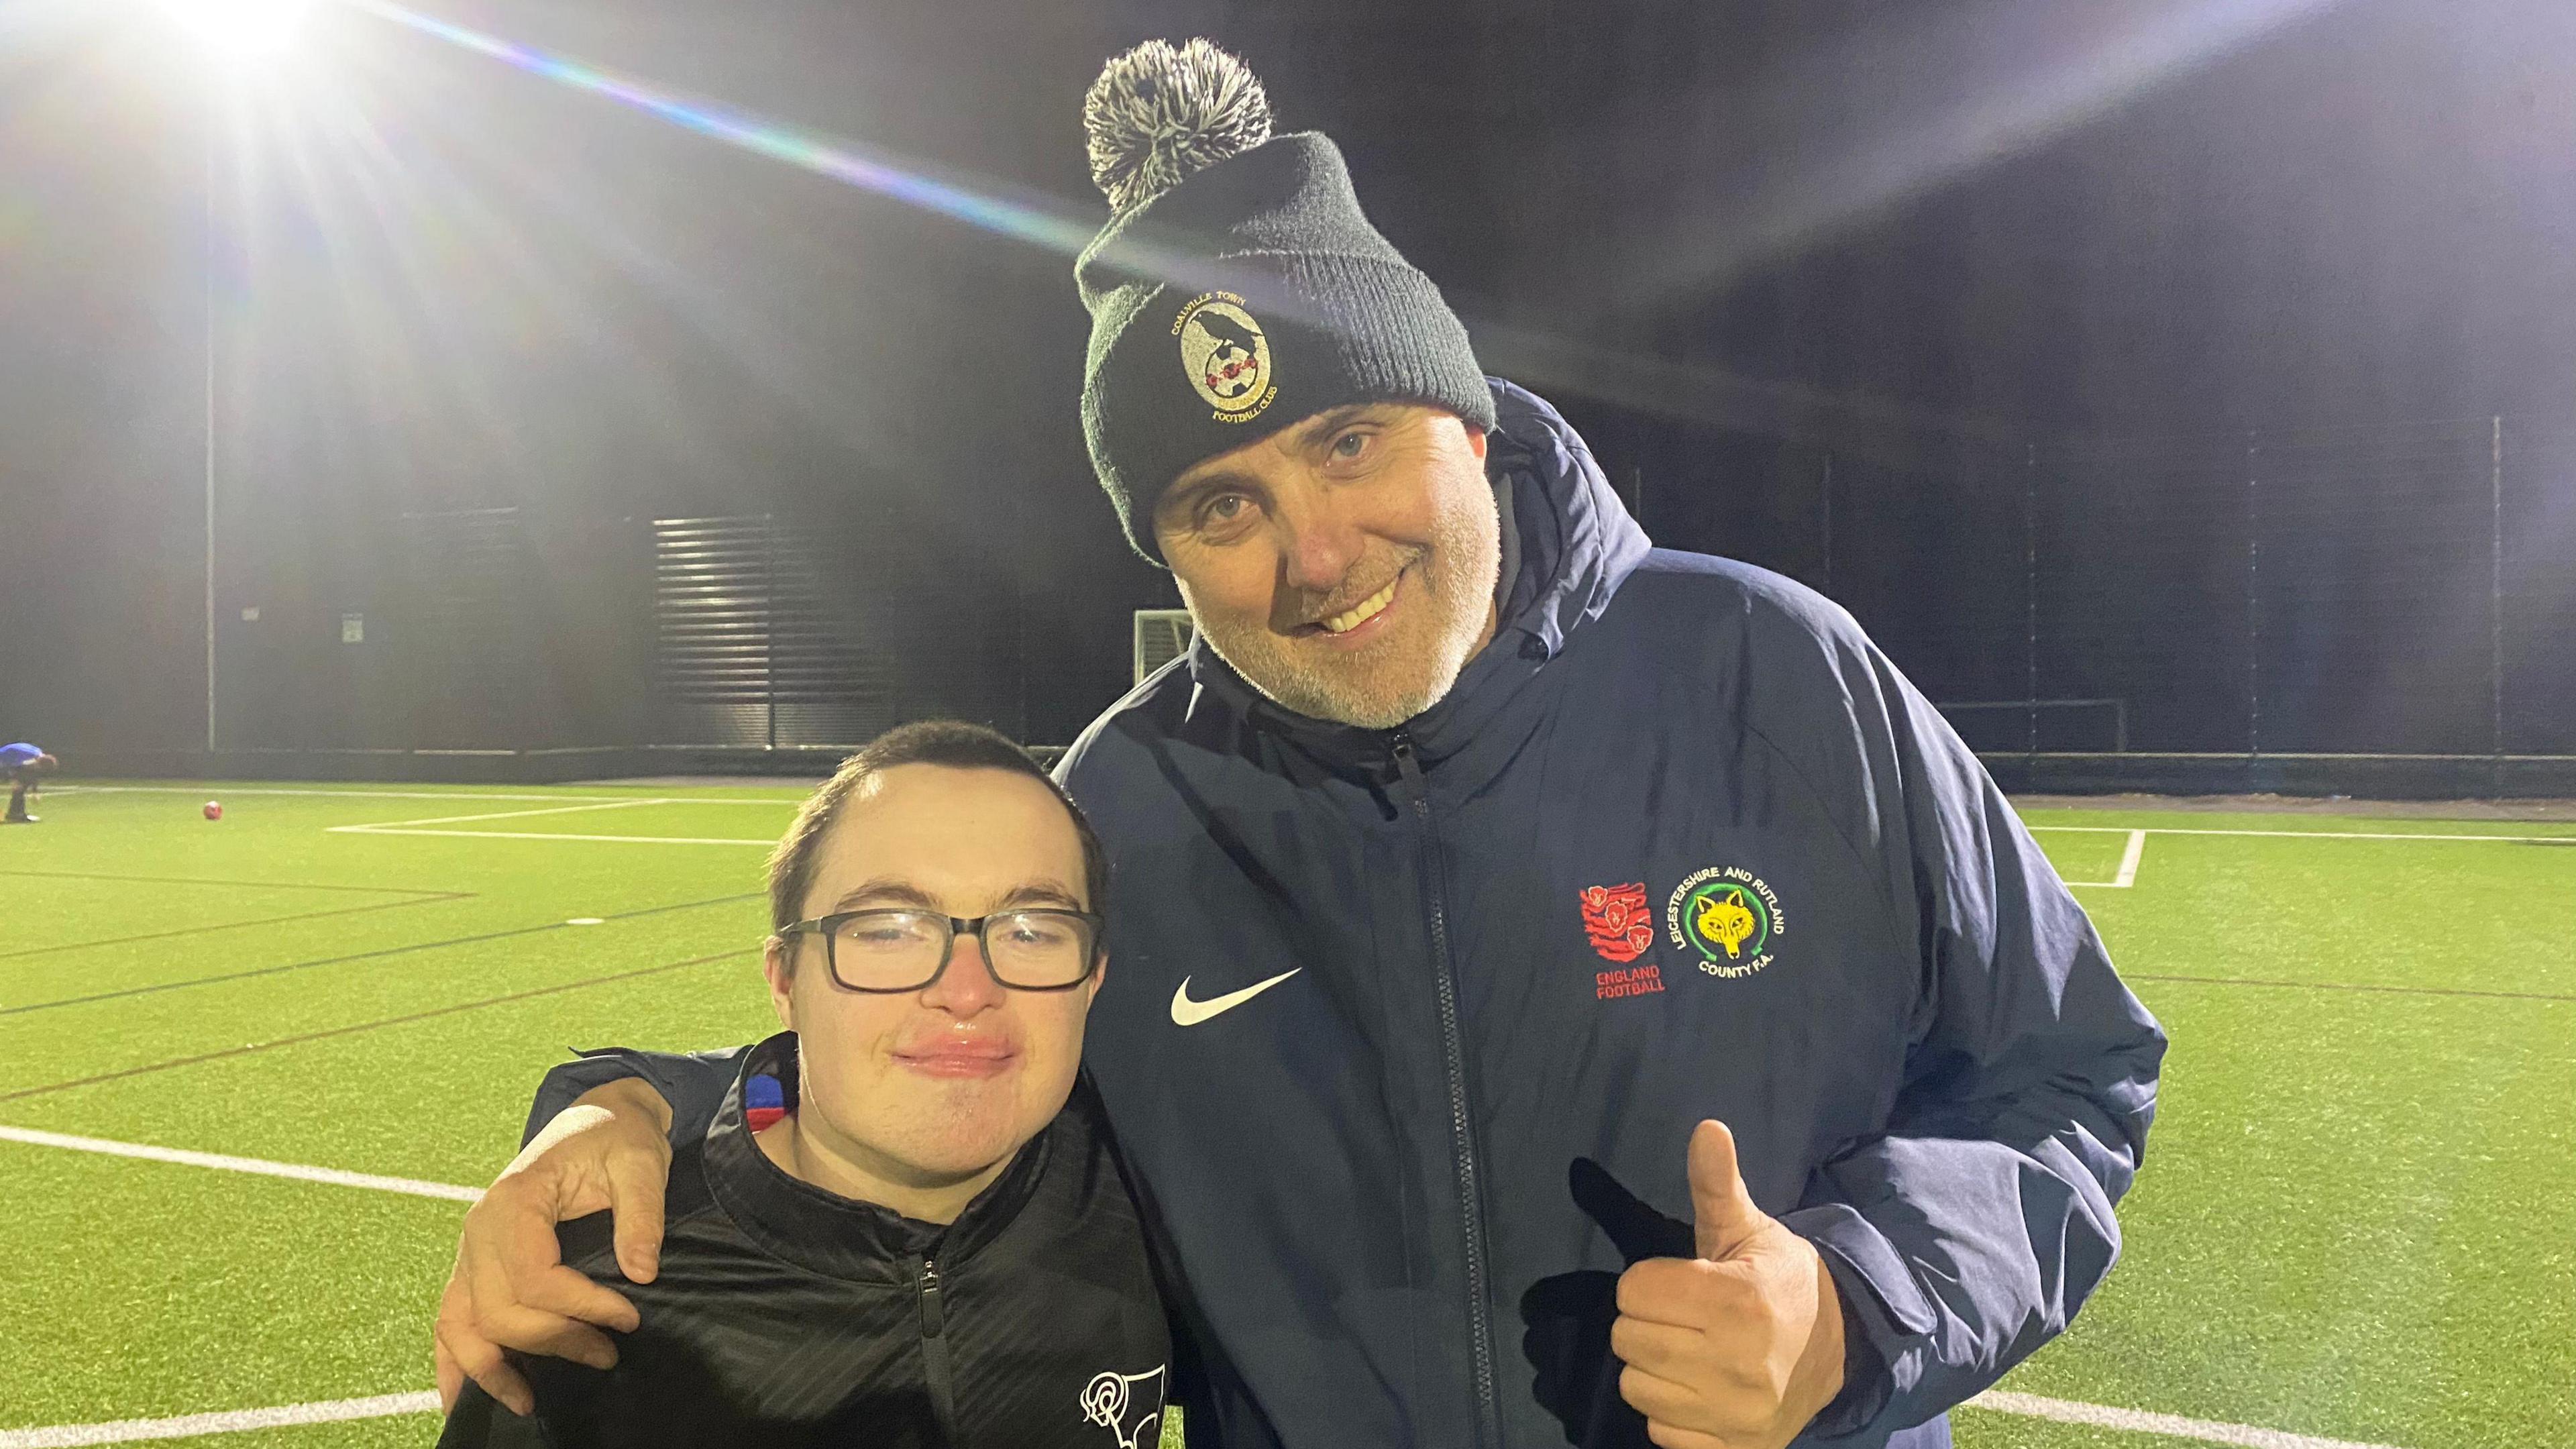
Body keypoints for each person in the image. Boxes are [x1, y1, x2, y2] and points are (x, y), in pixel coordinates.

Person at [438, 40, 2165, 1449]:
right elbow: (938, 1029)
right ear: (1165, 546)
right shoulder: (1124, 801)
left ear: (1466, 422)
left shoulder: (1775, 672)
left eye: (1348, 440)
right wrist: (629, 1104)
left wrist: (1856, 1309)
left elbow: (2065, 1073)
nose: (1313, 551)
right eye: (1221, 501)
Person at [435, 720, 1169, 1448]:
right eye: (888, 929)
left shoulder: (1156, 1200)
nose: (967, 991)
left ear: (1093, 977)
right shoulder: (585, 1305)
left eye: (1032, 930)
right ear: (785, 980)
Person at [2, 743, 56, 823]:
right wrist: (14, 780)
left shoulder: (37, 754)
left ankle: (16, 814)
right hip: (4, 760)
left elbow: (33, 773)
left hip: (9, 761)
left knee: (22, 785)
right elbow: (9, 763)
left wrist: (35, 791)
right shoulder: (26, 756)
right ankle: (16, 814)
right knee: (20, 786)